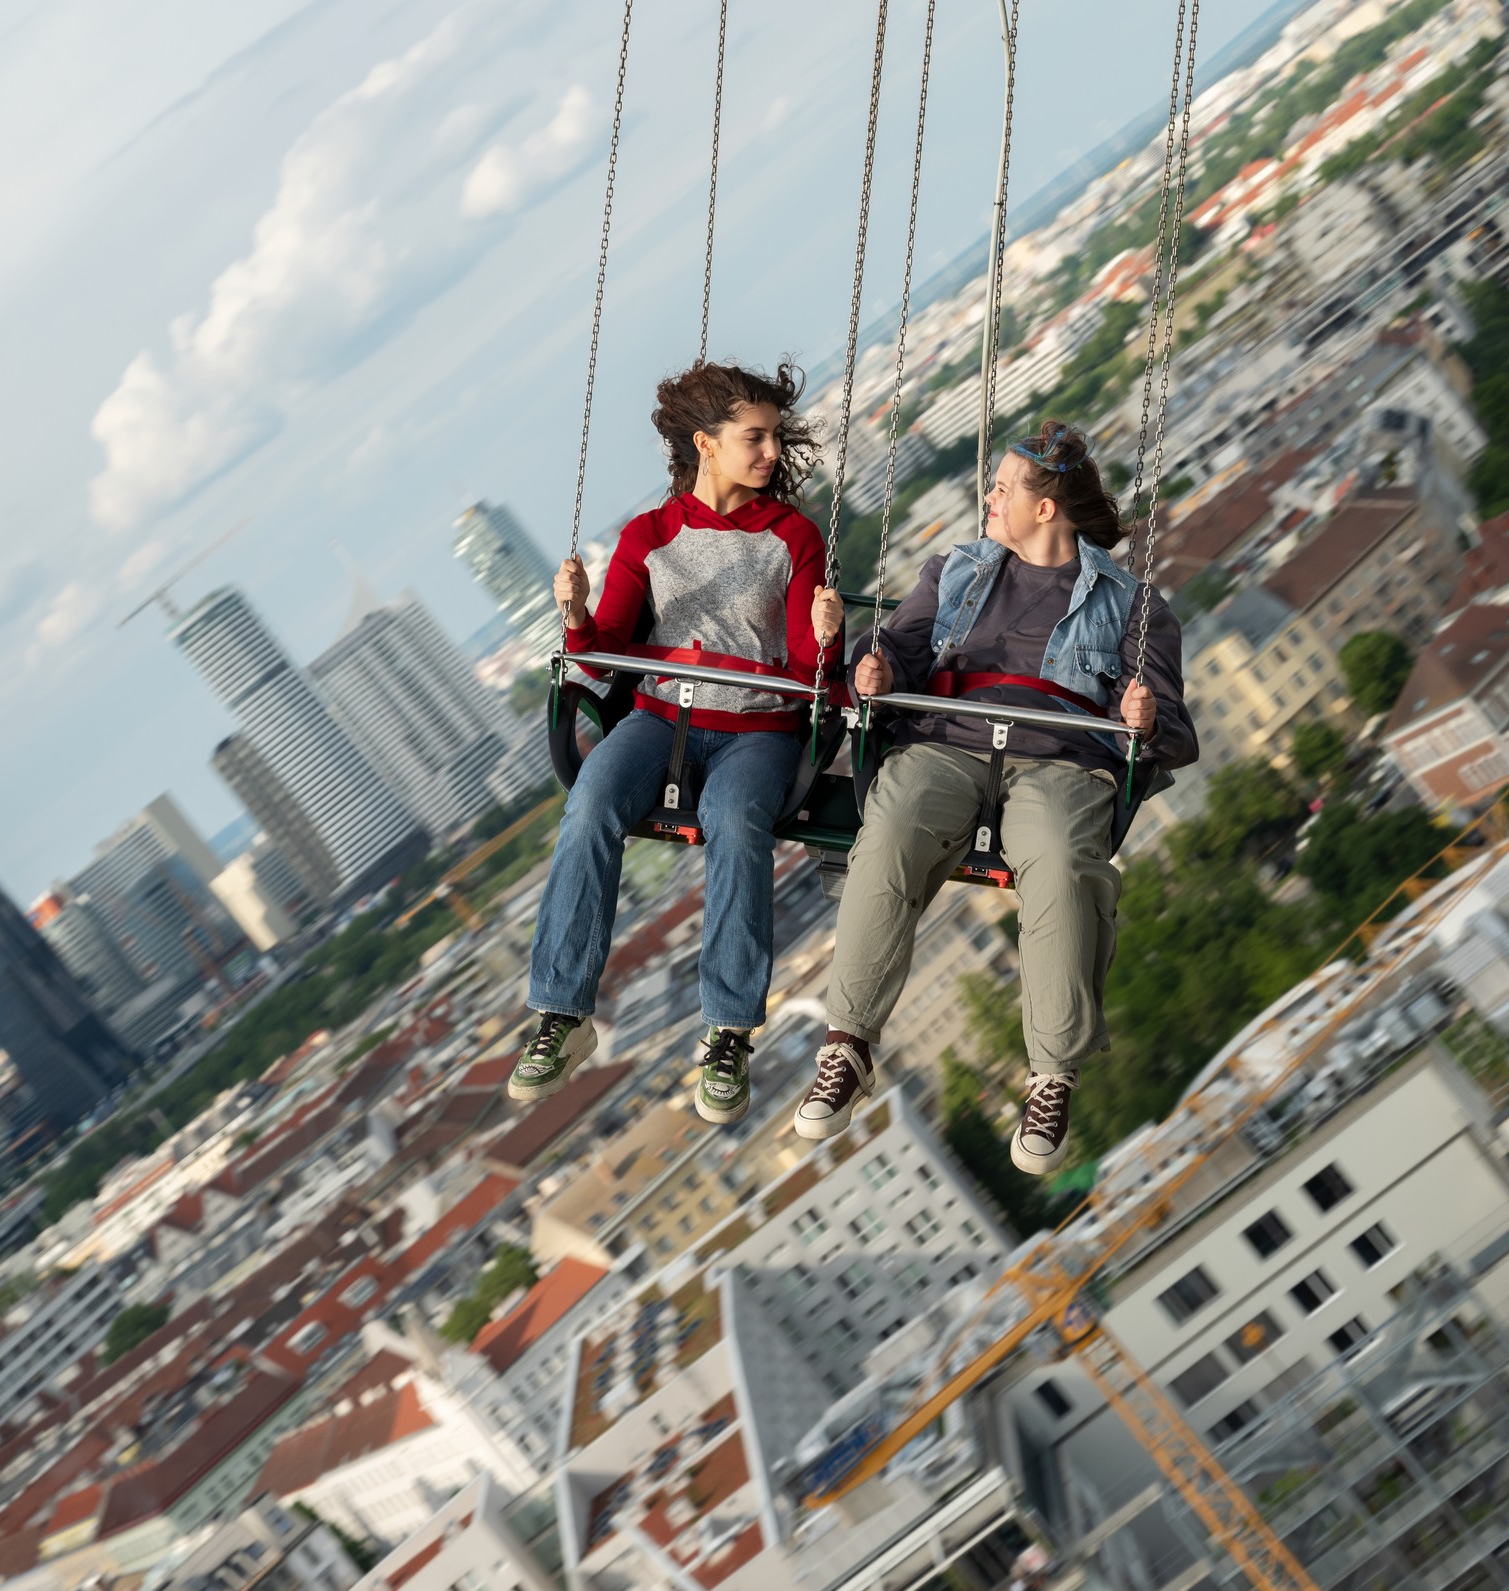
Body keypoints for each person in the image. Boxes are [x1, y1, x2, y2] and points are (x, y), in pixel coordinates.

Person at [794, 419, 1196, 1173]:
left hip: (1059, 759)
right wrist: (871, 669)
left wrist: (1140, 720)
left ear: (1045, 509)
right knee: (889, 834)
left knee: (1059, 859)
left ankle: (1051, 1071)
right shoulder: (957, 570)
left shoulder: (1131, 605)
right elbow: (898, 652)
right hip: (949, 741)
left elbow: (1172, 729)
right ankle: (848, 1043)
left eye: (1003, 489)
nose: (989, 498)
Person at [509, 359, 843, 1127]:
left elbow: (805, 666)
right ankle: (562, 1016)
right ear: (706, 443)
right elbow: (602, 657)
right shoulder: (649, 536)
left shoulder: (792, 536)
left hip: (756, 730)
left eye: (773, 438)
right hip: (661, 720)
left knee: (734, 821)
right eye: (753, 438)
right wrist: (576, 615)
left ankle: (727, 1031)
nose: (769, 453)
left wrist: (828, 639)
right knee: (591, 800)